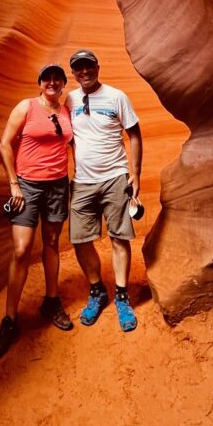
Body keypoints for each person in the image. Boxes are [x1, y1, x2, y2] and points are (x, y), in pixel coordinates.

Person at [0, 63, 74, 357]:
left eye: (57, 79)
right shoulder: (26, 107)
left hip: (57, 186)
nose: (52, 82)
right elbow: (4, 145)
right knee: (22, 248)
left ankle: (51, 301)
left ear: (63, 84)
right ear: (40, 83)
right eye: (47, 78)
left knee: (51, 242)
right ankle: (10, 318)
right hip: (27, 186)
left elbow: (71, 143)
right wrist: (14, 184)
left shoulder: (66, 111)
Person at [66, 49, 143, 331]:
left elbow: (134, 133)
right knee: (80, 239)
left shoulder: (116, 96)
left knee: (119, 237)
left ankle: (122, 296)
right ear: (73, 72)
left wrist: (135, 173)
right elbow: (67, 136)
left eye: (88, 66)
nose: (84, 71)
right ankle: (97, 291)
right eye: (79, 68)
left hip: (115, 178)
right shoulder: (70, 99)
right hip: (83, 182)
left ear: (97, 67)